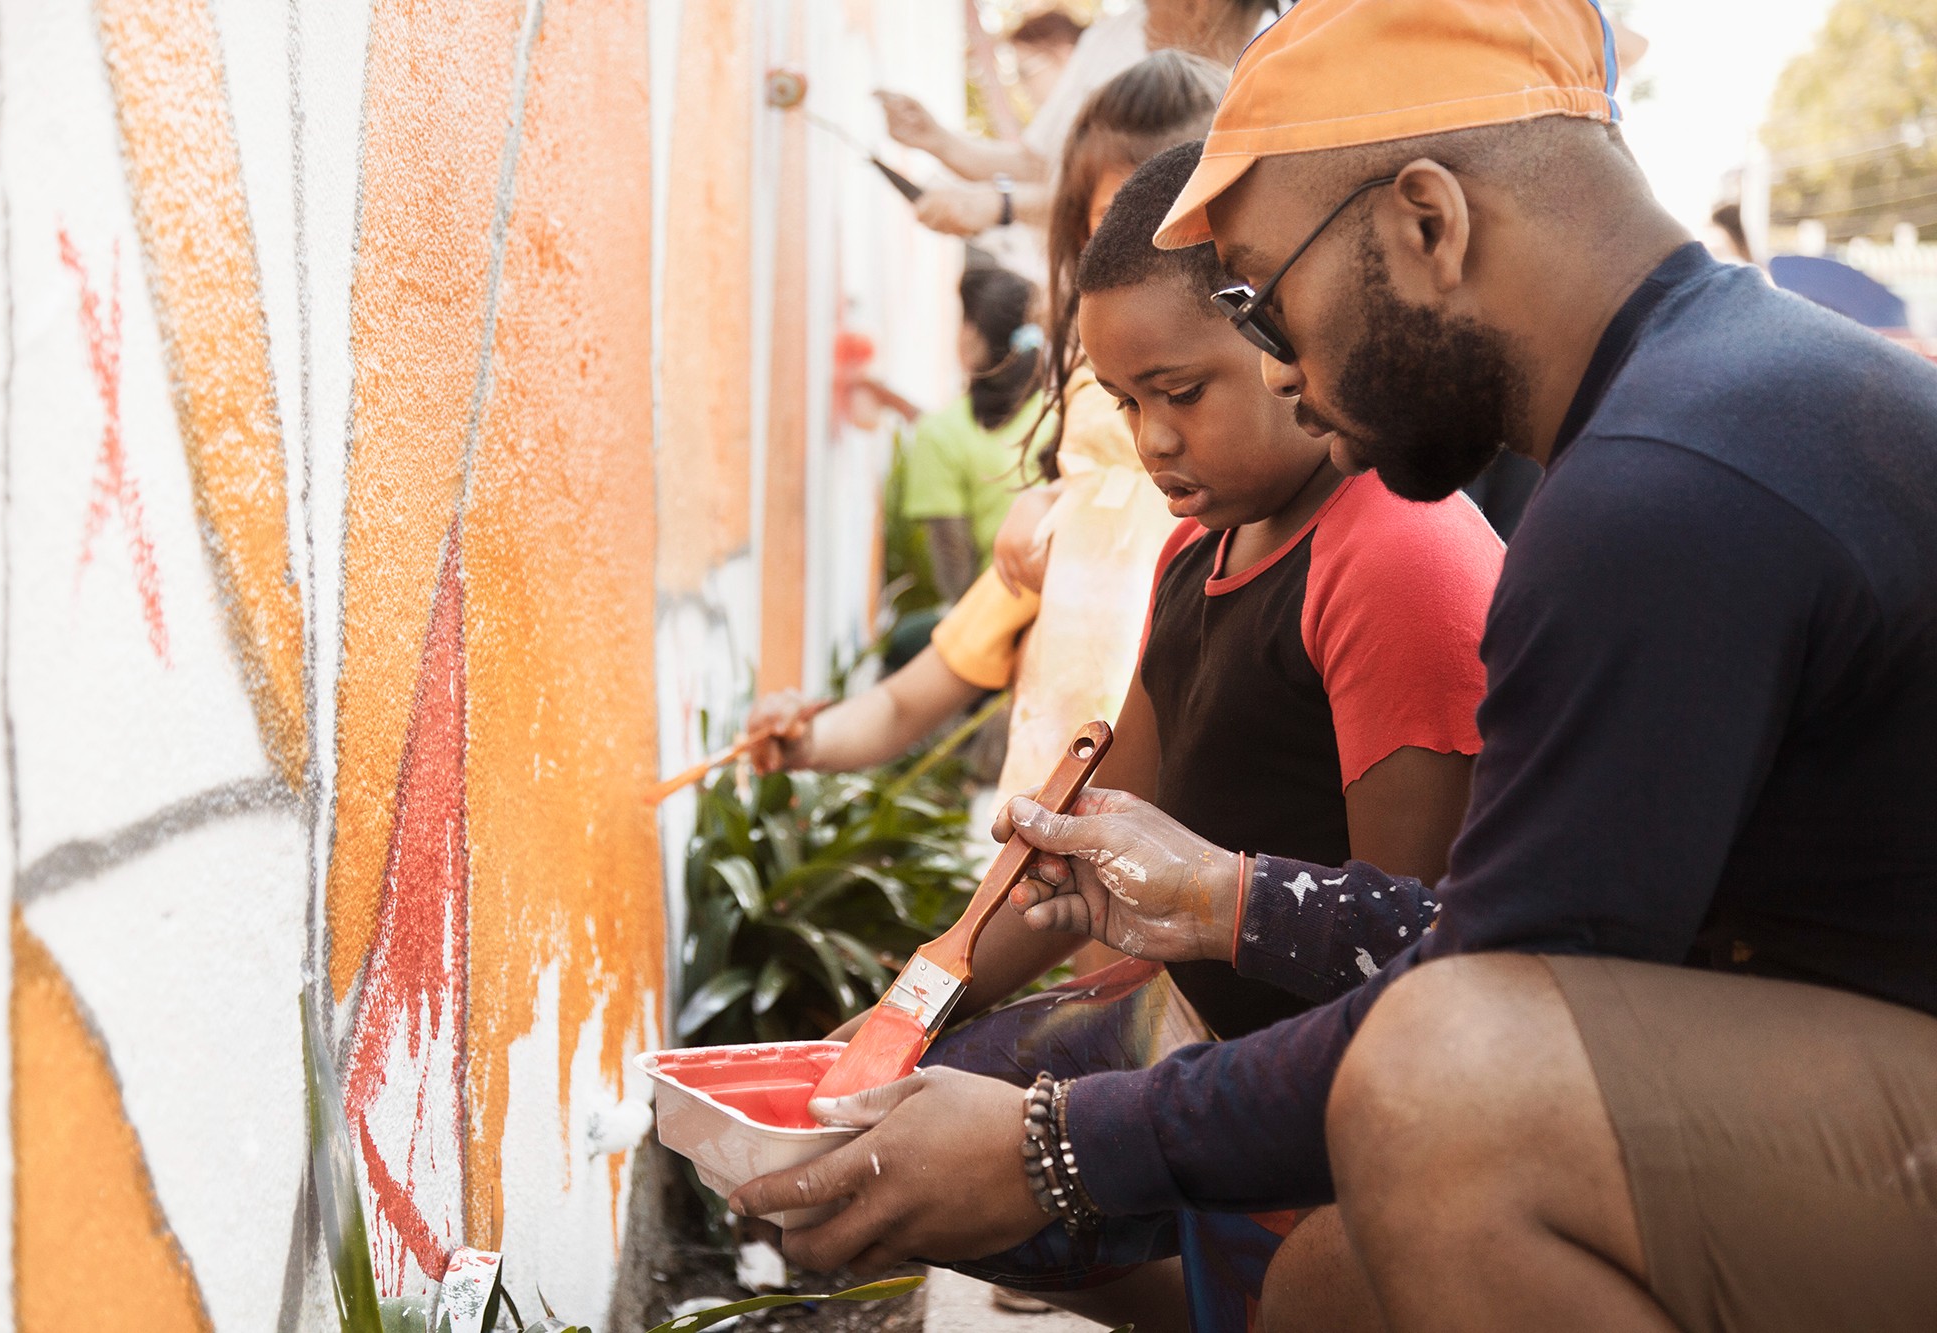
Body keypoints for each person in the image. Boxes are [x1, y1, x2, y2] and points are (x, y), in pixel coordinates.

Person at [731, 4, 1937, 1332]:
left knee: (1442, 1089)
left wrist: (1051, 1145)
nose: (1289, 368)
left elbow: (1492, 1012)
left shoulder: (1661, 484)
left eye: (1257, 291)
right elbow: (1546, 959)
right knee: (1331, 1277)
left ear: (1429, 224)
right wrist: (1202, 920)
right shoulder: (1705, 404)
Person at [908, 139, 1501, 1333]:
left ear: (1290, 345)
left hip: (1317, 1094)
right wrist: (895, 1015)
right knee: (921, 1156)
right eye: (1125, 403)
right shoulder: (1199, 550)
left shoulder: (1392, 553)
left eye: (1182, 392)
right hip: (1193, 1024)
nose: (1153, 442)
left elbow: (1408, 940)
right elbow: (1079, 842)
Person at [749, 53, 1225, 793]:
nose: (1153, 433)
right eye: (1111, 230)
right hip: (1038, 878)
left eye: (1185, 391)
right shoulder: (1070, 522)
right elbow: (912, 696)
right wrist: (805, 738)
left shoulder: (1253, 540)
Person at [881, 2, 1271, 239]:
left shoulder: (1258, 89)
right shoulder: (1112, 36)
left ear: (1198, 5)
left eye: (1151, 4)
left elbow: (1136, 204)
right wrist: (939, 142)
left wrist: (1003, 206)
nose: (1143, 16)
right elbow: (1042, 162)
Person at [895, 267, 1050, 604]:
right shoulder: (1068, 408)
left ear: (972, 338)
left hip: (998, 610)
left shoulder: (941, 432)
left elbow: (953, 565)